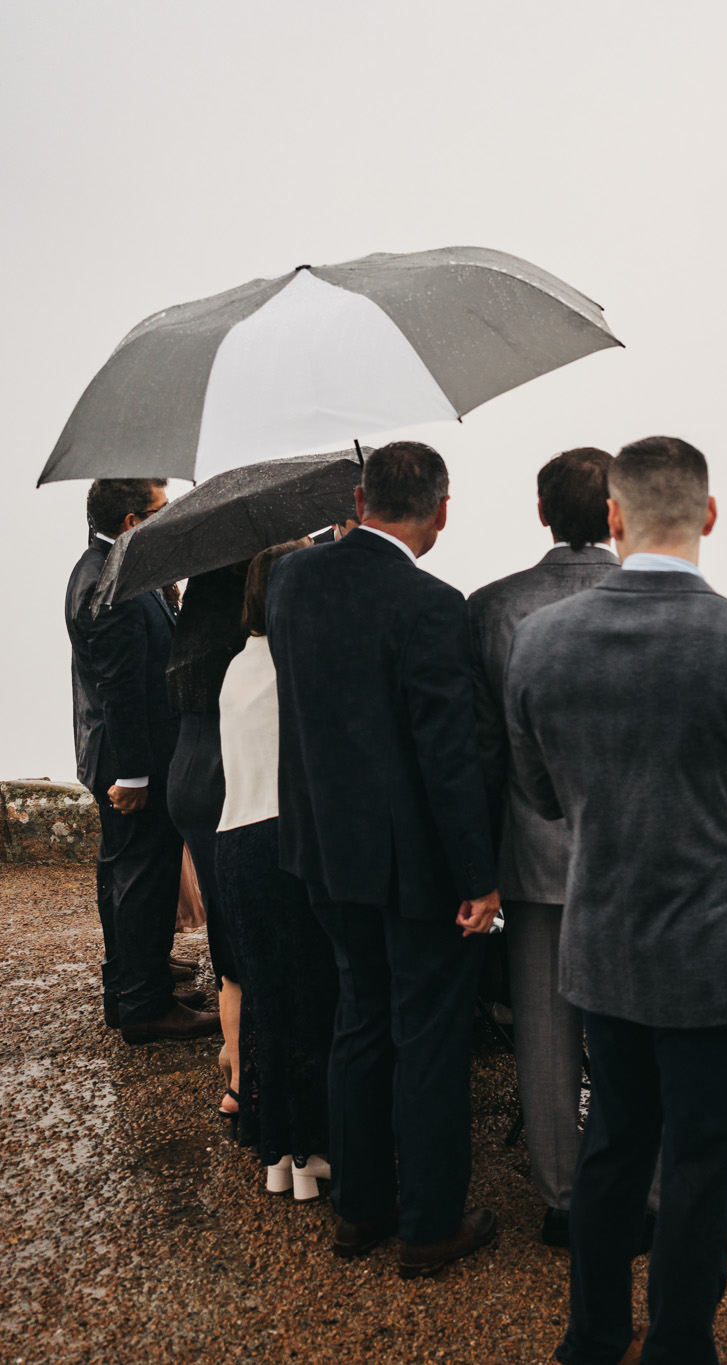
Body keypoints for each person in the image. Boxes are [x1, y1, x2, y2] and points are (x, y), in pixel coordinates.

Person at [503, 435, 727, 1365]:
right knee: (701, 1166)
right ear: (708, 513)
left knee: (613, 1145)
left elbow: (540, 793)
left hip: (604, 947)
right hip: (719, 961)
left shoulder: (541, 641)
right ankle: (679, 1347)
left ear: (612, 519)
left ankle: (592, 1337)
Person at [267, 441, 501, 1275]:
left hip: (324, 850)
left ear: (360, 498)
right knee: (428, 1038)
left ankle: (359, 1209)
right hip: (413, 868)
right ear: (440, 510)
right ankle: (431, 1224)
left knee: (358, 1022)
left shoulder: (292, 582)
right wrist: (478, 877)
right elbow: (448, 755)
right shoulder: (433, 603)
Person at [64, 478, 219, 1044]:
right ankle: (145, 1007)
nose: (170, 514)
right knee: (141, 877)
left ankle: (133, 981)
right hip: (134, 761)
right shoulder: (113, 586)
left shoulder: (115, 568)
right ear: (133, 521)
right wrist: (133, 776)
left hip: (135, 753)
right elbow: (121, 689)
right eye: (161, 508)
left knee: (128, 873)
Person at [215, 537, 339, 1201]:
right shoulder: (298, 667)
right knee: (312, 995)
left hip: (234, 842)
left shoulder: (238, 666)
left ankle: (281, 1153)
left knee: (268, 1001)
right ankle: (314, 1148)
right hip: (281, 838)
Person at [165, 560, 251, 1127]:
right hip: (226, 777)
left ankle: (235, 1059)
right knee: (247, 927)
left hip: (188, 776)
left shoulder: (195, 620)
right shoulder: (243, 653)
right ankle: (243, 1075)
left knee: (226, 924)